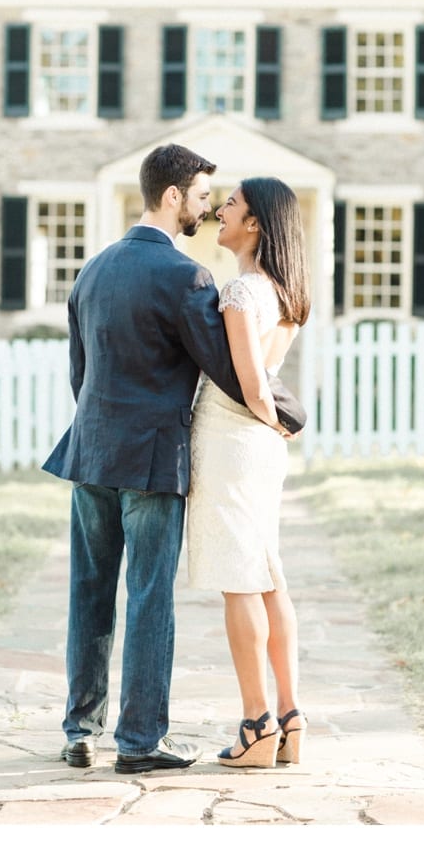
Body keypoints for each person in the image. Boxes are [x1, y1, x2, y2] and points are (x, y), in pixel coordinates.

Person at [42, 144, 305, 775]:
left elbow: (79, 373)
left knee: (89, 592)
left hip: (91, 452)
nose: (207, 209)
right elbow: (232, 371)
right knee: (150, 596)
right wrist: (289, 414)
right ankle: (137, 743)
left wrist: (104, 427)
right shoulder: (187, 277)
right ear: (172, 197)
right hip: (154, 461)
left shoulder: (93, 269)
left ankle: (80, 731)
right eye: (202, 197)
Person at [186, 178, 310, 768]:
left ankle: (256, 724)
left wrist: (272, 420)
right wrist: (279, 429)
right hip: (262, 450)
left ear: (255, 223)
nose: (219, 210)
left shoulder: (240, 292)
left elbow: (253, 385)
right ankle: (290, 716)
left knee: (241, 580)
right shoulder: (284, 294)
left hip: (233, 439)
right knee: (268, 576)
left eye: (230, 204)